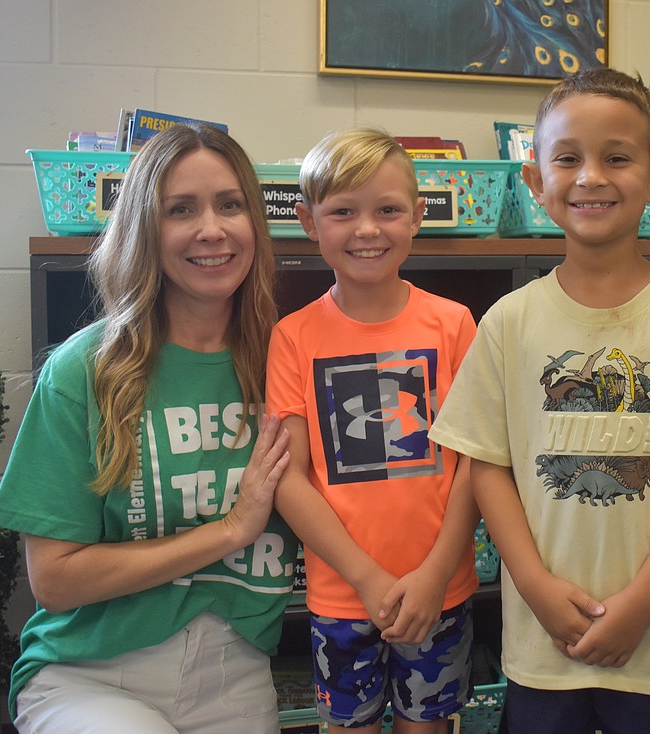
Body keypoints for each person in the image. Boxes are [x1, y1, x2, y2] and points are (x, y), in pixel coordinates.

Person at [427, 68, 650, 734]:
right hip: (541, 645)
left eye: (617, 158)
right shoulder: (509, 320)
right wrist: (532, 584)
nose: (590, 177)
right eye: (567, 159)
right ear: (535, 183)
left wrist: (642, 602)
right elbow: (486, 465)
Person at [0, 122, 297, 733]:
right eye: (180, 209)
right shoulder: (87, 369)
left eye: (229, 205)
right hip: (89, 672)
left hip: (235, 673)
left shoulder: (287, 357)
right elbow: (53, 578)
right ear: (144, 232)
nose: (211, 229)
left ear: (255, 224)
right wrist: (231, 530)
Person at [266, 128, 480, 734]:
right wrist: (365, 576)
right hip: (341, 594)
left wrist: (436, 573)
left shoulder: (454, 324)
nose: (367, 230)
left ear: (417, 216)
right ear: (308, 221)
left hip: (440, 587)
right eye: (343, 212)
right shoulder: (293, 337)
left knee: (429, 727)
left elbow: (476, 463)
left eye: (387, 210)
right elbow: (290, 479)